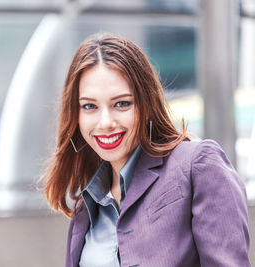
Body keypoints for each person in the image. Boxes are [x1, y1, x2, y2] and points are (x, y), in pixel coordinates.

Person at [41, 33, 250, 267]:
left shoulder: (198, 165)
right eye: (89, 106)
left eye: (121, 103)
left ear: (146, 103)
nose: (105, 122)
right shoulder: (86, 209)